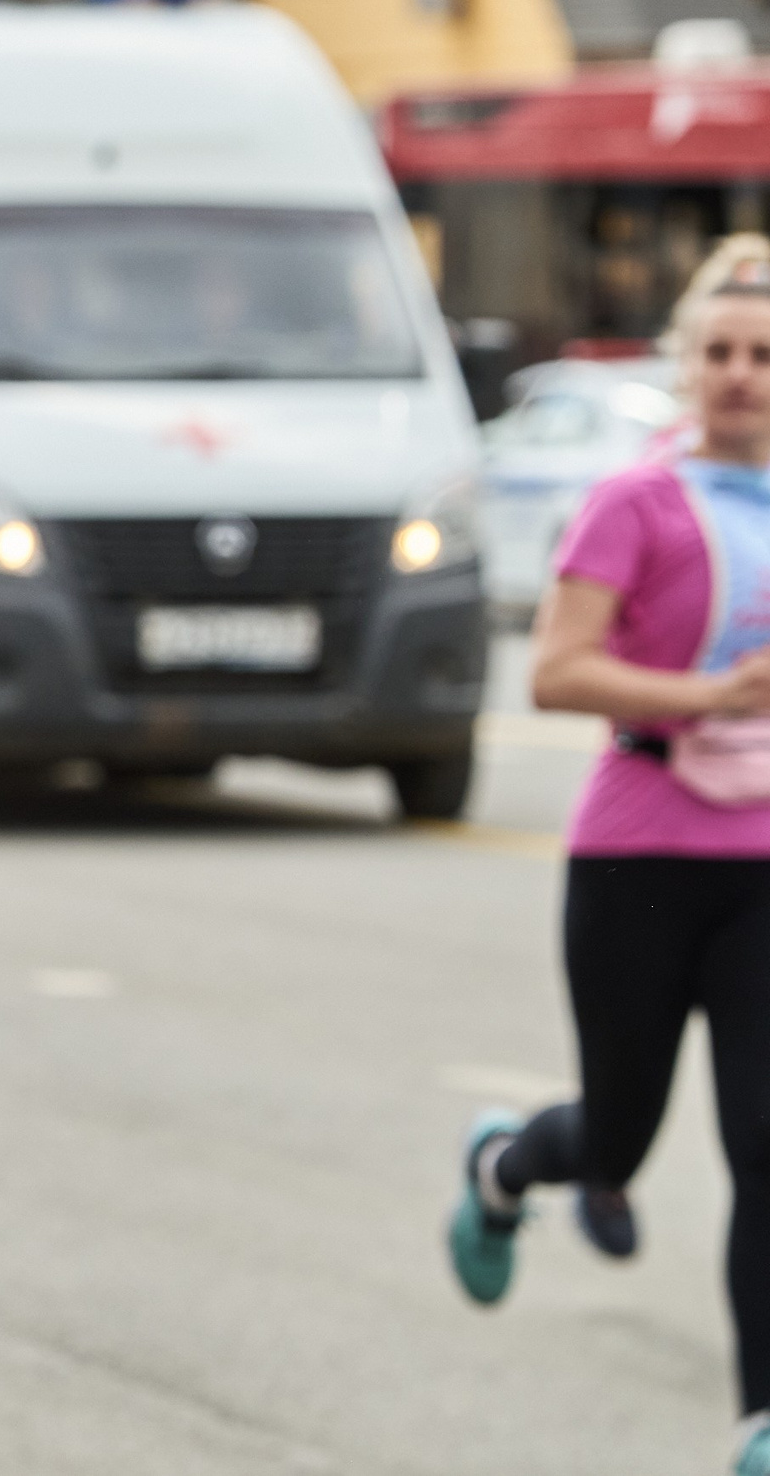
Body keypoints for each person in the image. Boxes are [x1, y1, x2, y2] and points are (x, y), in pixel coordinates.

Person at [448, 236, 770, 1474]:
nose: (740, 376)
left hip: (762, 864)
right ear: (687, 368)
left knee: (764, 1144)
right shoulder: (636, 503)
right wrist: (705, 693)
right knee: (619, 1138)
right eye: (720, 354)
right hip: (639, 853)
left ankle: (756, 1424)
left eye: (762, 356)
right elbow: (555, 668)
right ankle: (504, 1166)